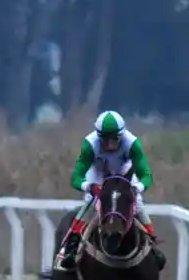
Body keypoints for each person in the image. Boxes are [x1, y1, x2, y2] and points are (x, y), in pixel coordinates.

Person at [57, 110, 164, 271]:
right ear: (98, 136)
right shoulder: (90, 145)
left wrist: (137, 188)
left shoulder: (133, 144)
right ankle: (71, 249)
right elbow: (76, 177)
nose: (110, 145)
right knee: (91, 202)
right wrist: (90, 187)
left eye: (114, 139)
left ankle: (153, 246)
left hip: (123, 173)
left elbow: (146, 175)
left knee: (139, 204)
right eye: (105, 140)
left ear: (122, 135)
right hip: (99, 173)